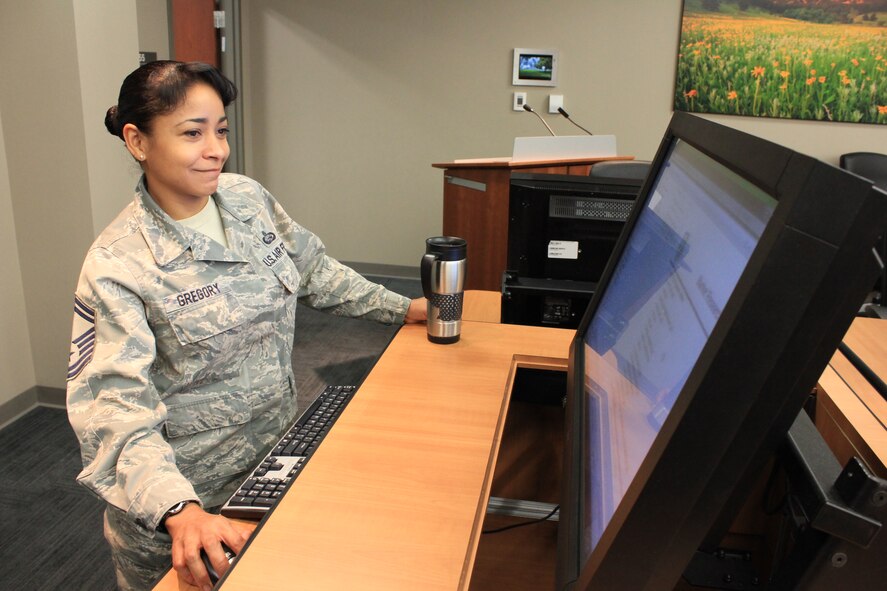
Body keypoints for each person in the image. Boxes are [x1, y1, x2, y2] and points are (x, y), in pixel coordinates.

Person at [65, 61, 426, 591]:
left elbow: (312, 271)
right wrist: (179, 508)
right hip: (188, 516)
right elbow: (114, 410)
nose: (216, 149)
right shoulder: (118, 265)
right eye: (193, 133)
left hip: (272, 468)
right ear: (137, 141)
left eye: (221, 130)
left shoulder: (245, 199)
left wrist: (402, 308)